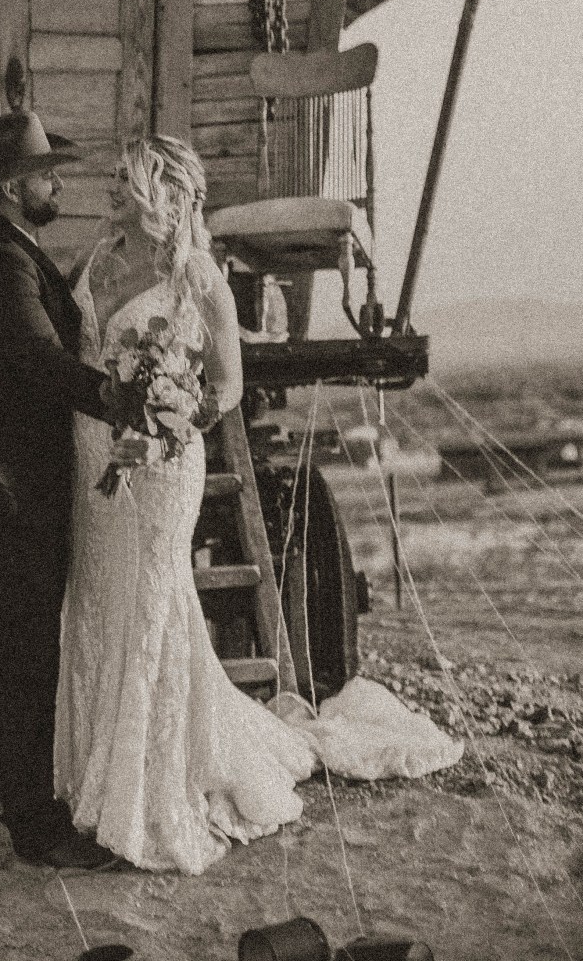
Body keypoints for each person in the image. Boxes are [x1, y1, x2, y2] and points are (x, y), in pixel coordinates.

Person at [54, 133, 462, 874]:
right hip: (94, 457)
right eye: (112, 175)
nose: (110, 187)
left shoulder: (198, 276)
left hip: (160, 465)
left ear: (166, 193)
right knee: (99, 603)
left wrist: (167, 426)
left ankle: (144, 792)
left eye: (126, 177)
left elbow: (227, 387)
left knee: (151, 605)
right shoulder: (92, 259)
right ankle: (96, 775)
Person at [0, 110, 151, 872]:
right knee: (19, 657)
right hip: (10, 490)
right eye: (47, 171)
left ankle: (40, 807)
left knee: (26, 651)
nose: (58, 180)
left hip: (19, 485)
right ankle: (34, 828)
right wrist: (123, 399)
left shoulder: (8, 251)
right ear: (13, 185)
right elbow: (38, 358)